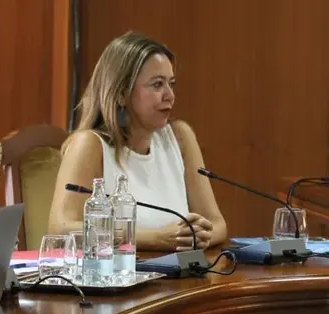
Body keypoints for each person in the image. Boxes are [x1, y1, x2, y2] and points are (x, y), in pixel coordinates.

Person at [48, 32, 227, 251]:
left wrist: (199, 236)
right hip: (112, 279)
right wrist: (156, 238)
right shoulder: (90, 145)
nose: (169, 95)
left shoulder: (180, 138)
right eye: (157, 85)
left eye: (171, 84)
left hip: (179, 280)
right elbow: (61, 228)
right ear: (121, 93)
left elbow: (217, 224)